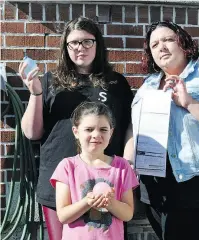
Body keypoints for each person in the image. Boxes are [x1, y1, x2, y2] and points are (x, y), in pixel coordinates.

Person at [19, 17, 134, 240]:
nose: (80, 48)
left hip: (106, 182)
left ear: (97, 44)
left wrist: (128, 163)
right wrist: (35, 92)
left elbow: (129, 127)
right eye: (73, 43)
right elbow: (31, 133)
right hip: (61, 182)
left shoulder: (116, 83)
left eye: (87, 42)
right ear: (66, 47)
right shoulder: (50, 81)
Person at [131, 20, 199, 240]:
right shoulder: (147, 86)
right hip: (156, 190)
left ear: (183, 43)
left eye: (168, 40)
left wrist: (189, 102)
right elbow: (134, 132)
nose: (161, 47)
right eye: (154, 45)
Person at [49, 101, 139, 240]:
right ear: (76, 132)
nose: (96, 134)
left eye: (103, 129)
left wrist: (111, 203)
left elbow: (128, 214)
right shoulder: (67, 166)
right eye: (89, 129)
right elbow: (63, 216)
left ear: (111, 132)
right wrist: (86, 202)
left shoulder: (121, 166)